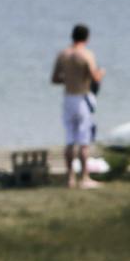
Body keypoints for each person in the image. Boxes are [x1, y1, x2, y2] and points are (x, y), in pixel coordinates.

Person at [50, 24, 106, 189]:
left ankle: (69, 178)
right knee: (84, 140)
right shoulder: (86, 55)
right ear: (87, 38)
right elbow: (94, 77)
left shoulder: (63, 54)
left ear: (72, 36)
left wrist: (68, 80)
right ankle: (84, 178)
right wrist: (101, 73)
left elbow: (54, 79)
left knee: (69, 139)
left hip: (68, 98)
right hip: (82, 98)